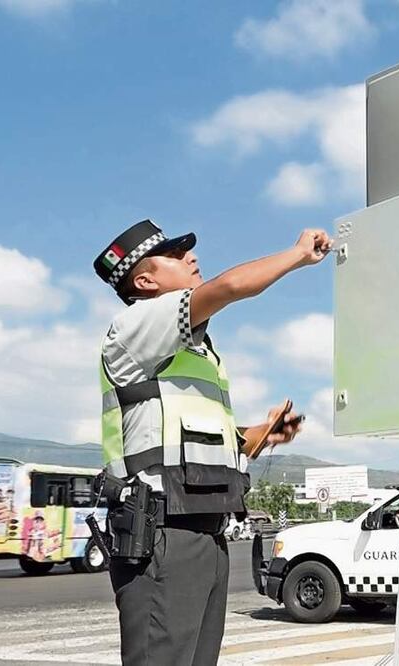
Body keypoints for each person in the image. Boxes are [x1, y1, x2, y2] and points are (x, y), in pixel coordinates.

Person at [93, 219, 330, 666]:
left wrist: (259, 435)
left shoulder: (193, 352)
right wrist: (298, 254)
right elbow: (230, 286)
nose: (192, 257)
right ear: (144, 281)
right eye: (174, 255)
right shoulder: (135, 326)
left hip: (205, 534)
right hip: (163, 536)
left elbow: (192, 443)